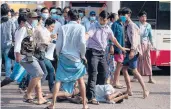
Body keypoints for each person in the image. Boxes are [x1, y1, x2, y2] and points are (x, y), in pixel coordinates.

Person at [45, 9, 88, 109]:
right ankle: (85, 105)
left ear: (68, 17)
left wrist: (58, 54)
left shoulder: (63, 27)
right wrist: (83, 55)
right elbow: (82, 43)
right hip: (77, 58)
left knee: (58, 80)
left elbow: (59, 44)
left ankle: (53, 104)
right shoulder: (81, 27)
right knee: (81, 80)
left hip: (64, 57)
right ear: (78, 17)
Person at [85, 10, 129, 105]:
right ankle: (90, 97)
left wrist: (121, 47)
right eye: (100, 19)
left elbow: (113, 39)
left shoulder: (108, 28)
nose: (102, 21)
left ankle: (98, 93)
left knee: (104, 72)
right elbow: (88, 34)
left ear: (108, 20)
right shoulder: (94, 26)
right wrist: (82, 40)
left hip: (102, 53)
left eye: (104, 20)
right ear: (99, 18)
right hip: (92, 52)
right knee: (93, 74)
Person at [14, 13, 49, 105]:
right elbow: (18, 42)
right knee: (39, 74)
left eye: (37, 18)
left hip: (29, 55)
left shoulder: (30, 29)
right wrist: (17, 54)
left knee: (37, 74)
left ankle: (40, 97)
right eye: (34, 18)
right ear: (29, 18)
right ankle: (27, 94)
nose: (36, 20)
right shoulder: (23, 28)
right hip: (24, 55)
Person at [120, 7, 149, 98]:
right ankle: (129, 89)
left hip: (133, 51)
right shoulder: (125, 24)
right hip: (127, 50)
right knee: (124, 69)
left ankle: (145, 89)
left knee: (134, 71)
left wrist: (132, 51)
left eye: (123, 15)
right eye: (121, 15)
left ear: (128, 15)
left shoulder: (132, 25)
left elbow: (135, 39)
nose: (121, 17)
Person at [131, 11, 155, 84]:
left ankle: (150, 77)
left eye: (145, 16)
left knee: (148, 60)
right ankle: (135, 76)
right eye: (142, 16)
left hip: (146, 44)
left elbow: (150, 36)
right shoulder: (136, 25)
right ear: (139, 17)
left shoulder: (148, 25)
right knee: (137, 59)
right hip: (138, 44)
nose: (144, 18)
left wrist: (152, 44)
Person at [111, 8, 126, 89]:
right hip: (117, 49)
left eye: (125, 15)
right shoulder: (115, 24)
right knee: (118, 65)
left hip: (122, 49)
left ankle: (117, 81)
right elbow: (111, 37)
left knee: (120, 65)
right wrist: (112, 46)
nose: (124, 17)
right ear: (119, 15)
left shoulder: (122, 24)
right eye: (123, 15)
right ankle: (115, 82)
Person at [1, 3, 16, 79]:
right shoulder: (11, 22)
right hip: (8, 43)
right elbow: (14, 34)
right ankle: (7, 76)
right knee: (8, 60)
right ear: (8, 12)